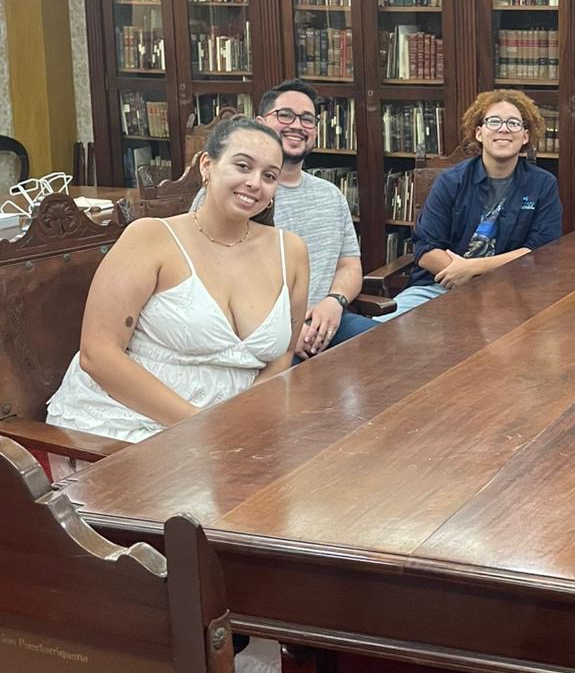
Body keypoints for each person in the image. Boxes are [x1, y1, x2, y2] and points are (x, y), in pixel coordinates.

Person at [48, 115, 308, 444]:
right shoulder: (150, 238)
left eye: (269, 176)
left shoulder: (291, 251)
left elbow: (284, 354)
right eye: (243, 166)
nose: (255, 182)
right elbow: (97, 354)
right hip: (125, 424)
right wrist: (206, 427)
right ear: (207, 166)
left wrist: (243, 421)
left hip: (236, 430)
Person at [193, 80, 369, 356]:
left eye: (307, 119)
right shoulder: (237, 195)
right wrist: (280, 332)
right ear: (261, 123)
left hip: (329, 323)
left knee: (394, 349)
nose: (297, 125)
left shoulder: (331, 195)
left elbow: (349, 265)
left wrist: (335, 302)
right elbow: (209, 281)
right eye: (285, 115)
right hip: (258, 333)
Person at [385, 88, 563, 318]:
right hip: (441, 286)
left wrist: (472, 269)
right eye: (494, 121)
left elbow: (541, 252)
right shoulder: (450, 181)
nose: (504, 129)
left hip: (512, 293)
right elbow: (426, 249)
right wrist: (461, 277)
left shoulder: (542, 185)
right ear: (479, 132)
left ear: (525, 136)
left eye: (513, 123)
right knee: (382, 330)